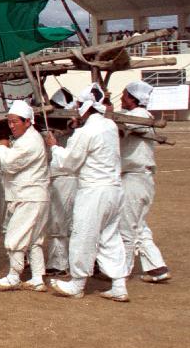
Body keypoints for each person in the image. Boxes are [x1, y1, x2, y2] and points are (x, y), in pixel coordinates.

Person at [45, 84, 129, 302]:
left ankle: (77, 282)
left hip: (94, 191)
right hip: (113, 189)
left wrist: (55, 146)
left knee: (83, 234)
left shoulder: (87, 131)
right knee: (110, 236)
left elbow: (69, 162)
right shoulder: (109, 125)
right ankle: (119, 284)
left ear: (86, 107)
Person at [0, 101, 50, 292]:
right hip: (32, 195)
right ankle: (38, 278)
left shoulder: (29, 142)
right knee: (34, 239)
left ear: (27, 122)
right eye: (9, 122)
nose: (11, 125)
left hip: (29, 196)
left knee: (15, 237)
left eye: (15, 122)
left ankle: (14, 276)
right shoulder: (28, 139)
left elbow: (8, 163)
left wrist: (1, 145)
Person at [119, 81, 171, 283]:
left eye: (124, 94)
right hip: (141, 178)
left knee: (127, 226)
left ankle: (120, 272)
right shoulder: (141, 116)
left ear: (133, 98)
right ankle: (157, 268)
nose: (121, 98)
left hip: (135, 177)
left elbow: (120, 125)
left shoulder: (138, 116)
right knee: (139, 225)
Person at [45, 88, 78, 275]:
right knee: (64, 222)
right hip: (63, 178)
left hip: (65, 178)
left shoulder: (74, 128)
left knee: (59, 222)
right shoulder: (64, 128)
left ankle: (59, 263)